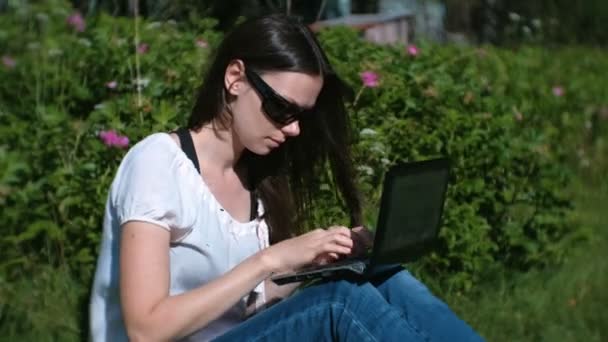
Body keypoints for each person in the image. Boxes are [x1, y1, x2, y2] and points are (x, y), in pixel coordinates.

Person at [89, 14, 484, 342]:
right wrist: (269, 259)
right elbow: (146, 328)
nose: (293, 129)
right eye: (281, 108)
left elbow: (243, 308)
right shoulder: (157, 162)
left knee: (381, 279)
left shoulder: (252, 178)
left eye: (302, 116)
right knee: (341, 304)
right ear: (235, 78)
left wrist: (316, 262)